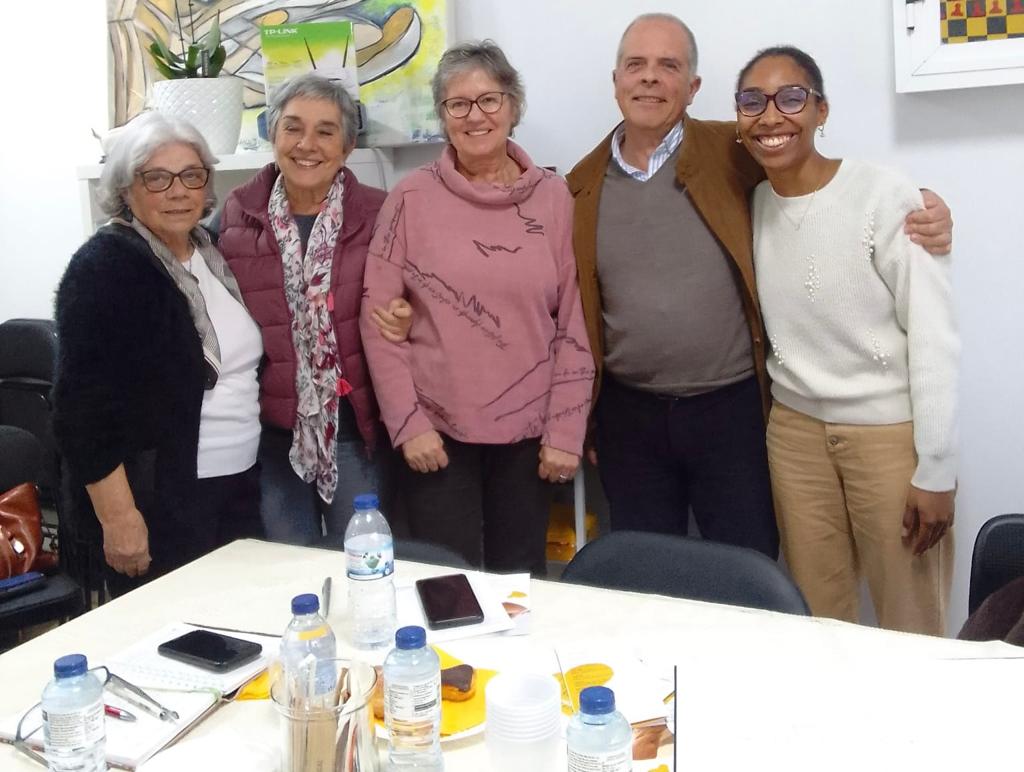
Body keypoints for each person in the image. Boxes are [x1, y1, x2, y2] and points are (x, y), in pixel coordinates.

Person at [564, 13, 955, 558]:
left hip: (733, 411)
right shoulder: (578, 187)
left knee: (749, 568)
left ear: (693, 87)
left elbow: (816, 179)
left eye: (668, 66)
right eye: (636, 65)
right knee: (645, 573)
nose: (650, 78)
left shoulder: (739, 149)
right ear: (616, 81)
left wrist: (924, 205)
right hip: (629, 419)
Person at [734, 46, 957, 635]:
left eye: (792, 98)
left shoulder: (885, 195)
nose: (772, 116)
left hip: (887, 438)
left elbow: (933, 334)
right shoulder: (752, 202)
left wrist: (936, 467)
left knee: (912, 620)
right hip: (795, 438)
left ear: (821, 109)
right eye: (752, 102)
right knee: (817, 619)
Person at [360, 41, 595, 575]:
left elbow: (576, 323)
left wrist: (565, 430)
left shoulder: (555, 199)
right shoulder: (410, 199)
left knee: (521, 586)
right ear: (443, 116)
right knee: (446, 588)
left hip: (529, 438)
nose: (475, 116)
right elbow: (379, 321)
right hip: (436, 435)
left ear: (513, 107)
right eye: (457, 104)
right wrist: (408, 424)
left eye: (488, 100)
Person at [53, 112, 264, 597]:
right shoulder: (104, 269)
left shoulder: (209, 253)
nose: (178, 191)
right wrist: (120, 519)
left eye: (192, 175)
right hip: (162, 499)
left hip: (235, 483)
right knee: (176, 648)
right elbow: (81, 414)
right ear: (126, 189)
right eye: (157, 178)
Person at [218, 74, 405, 545]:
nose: (307, 144)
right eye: (293, 128)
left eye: (325, 131)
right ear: (272, 134)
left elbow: (423, 294)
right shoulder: (235, 216)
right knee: (287, 574)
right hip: (273, 436)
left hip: (356, 432)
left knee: (363, 561)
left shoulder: (382, 213)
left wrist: (410, 315)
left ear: (347, 145)